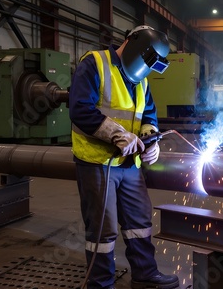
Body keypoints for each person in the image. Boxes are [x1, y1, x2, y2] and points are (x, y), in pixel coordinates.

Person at [69, 25, 179, 289]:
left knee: (139, 221)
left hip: (130, 164)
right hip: (98, 163)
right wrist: (116, 134)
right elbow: (79, 109)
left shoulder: (141, 79)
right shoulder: (95, 64)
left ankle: (144, 274)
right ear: (132, 43)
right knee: (103, 230)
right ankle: (100, 283)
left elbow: (148, 115)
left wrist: (151, 139)